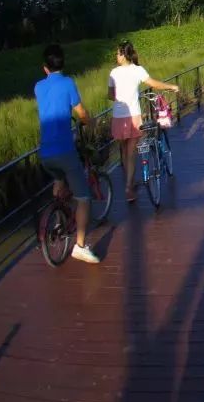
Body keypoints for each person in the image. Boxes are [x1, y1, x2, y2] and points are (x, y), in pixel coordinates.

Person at [35, 44, 100, 264]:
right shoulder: (68, 83)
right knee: (83, 198)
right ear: (63, 63)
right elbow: (80, 112)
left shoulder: (38, 87)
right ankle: (80, 246)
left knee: (59, 178)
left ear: (45, 68)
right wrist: (89, 122)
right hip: (64, 150)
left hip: (45, 153)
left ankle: (57, 217)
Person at [109, 40, 179, 202]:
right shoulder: (137, 70)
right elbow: (153, 83)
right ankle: (128, 187)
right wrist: (171, 86)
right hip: (133, 115)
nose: (116, 56)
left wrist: (122, 96)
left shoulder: (113, 73)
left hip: (118, 116)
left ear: (123, 55)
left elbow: (110, 95)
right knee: (132, 152)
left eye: (118, 53)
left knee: (125, 152)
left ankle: (130, 182)